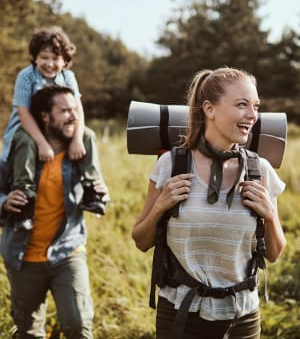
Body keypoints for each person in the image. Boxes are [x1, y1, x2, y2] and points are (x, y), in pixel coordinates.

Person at [132, 68, 286, 339]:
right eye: (242, 105)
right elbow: (141, 241)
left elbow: (274, 253)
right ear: (209, 109)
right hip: (180, 314)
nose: (253, 115)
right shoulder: (171, 165)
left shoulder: (259, 170)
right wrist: (160, 207)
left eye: (256, 106)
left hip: (243, 318)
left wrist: (270, 216)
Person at [0, 85, 109, 338]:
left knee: (78, 325)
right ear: (46, 117)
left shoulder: (81, 148)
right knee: (29, 332)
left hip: (67, 252)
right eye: (64, 110)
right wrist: (5, 202)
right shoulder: (21, 149)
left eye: (74, 109)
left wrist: (103, 193)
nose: (73, 115)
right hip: (22, 256)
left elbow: (96, 189)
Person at [0, 26, 104, 231]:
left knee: (88, 135)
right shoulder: (26, 76)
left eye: (55, 58)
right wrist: (41, 143)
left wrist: (76, 139)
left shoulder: (68, 77)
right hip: (27, 129)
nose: (49, 63)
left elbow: (78, 109)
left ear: (64, 60)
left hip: (59, 128)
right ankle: (25, 202)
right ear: (35, 58)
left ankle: (92, 189)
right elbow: (23, 112)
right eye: (43, 57)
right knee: (26, 142)